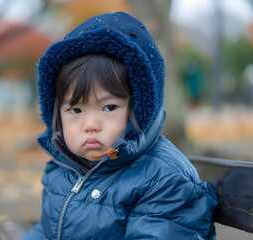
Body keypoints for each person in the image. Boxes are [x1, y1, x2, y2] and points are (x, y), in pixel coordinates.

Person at [23, 11, 217, 240]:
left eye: (109, 107)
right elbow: (44, 233)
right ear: (56, 113)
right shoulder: (62, 167)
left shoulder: (164, 179)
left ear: (141, 107)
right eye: (75, 110)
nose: (91, 125)